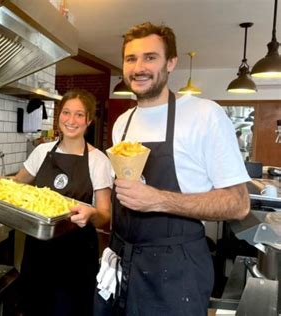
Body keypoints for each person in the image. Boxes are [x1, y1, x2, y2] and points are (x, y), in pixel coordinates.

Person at [94, 22, 250, 316]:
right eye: (131, 58)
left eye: (150, 57)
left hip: (175, 272)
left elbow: (238, 203)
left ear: (171, 63)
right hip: (121, 261)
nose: (139, 67)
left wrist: (158, 199)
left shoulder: (205, 115)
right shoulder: (122, 123)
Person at [0, 89, 113, 316]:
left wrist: (91, 214)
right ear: (58, 116)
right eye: (67, 113)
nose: (71, 120)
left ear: (89, 120)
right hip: (39, 251)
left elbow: (105, 214)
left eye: (79, 115)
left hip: (76, 254)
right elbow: (19, 182)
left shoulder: (98, 160)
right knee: (34, 307)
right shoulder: (42, 151)